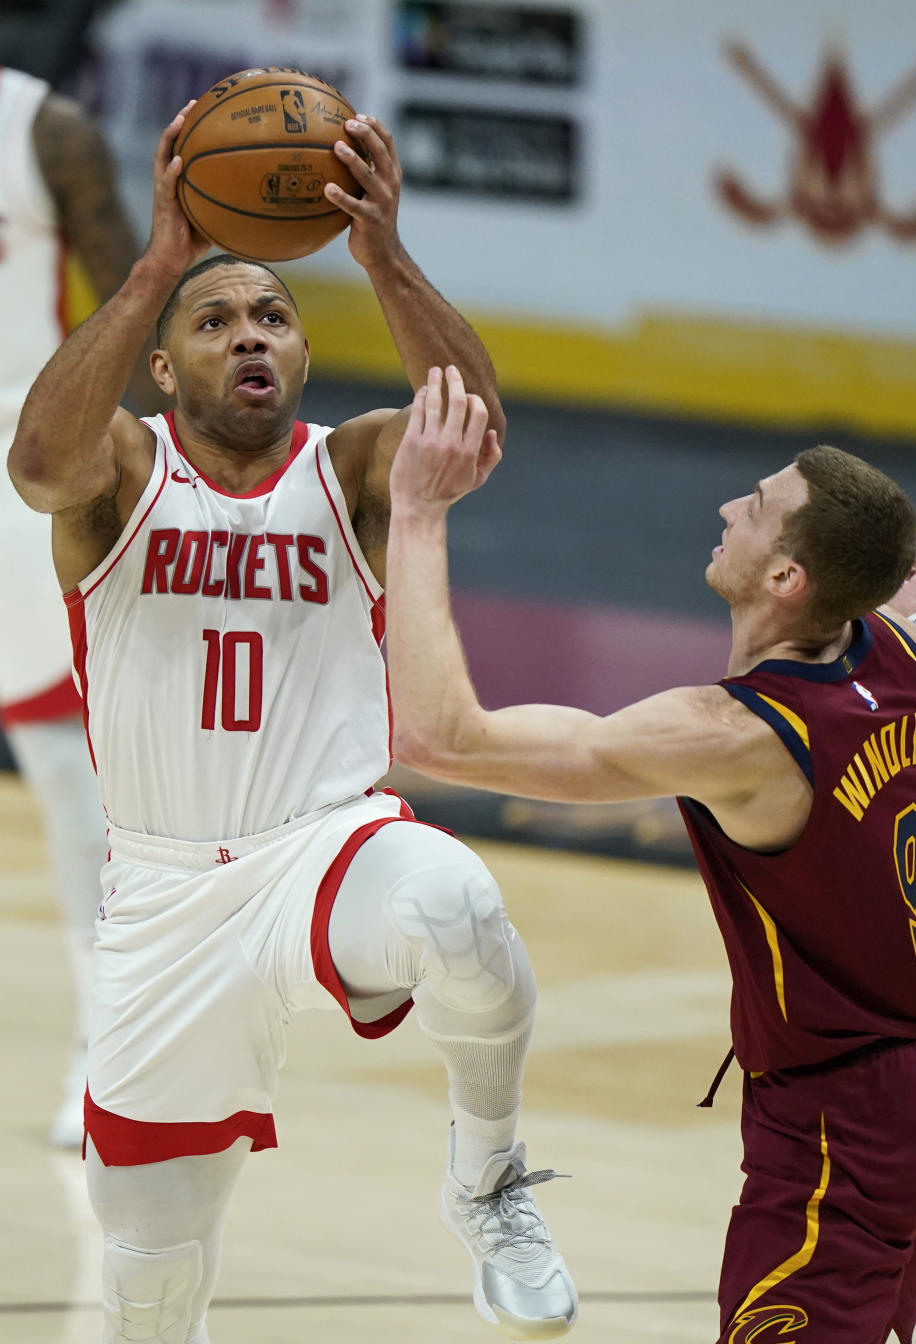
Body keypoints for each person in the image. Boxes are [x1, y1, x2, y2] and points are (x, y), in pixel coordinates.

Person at [7, 106, 578, 1344]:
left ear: (304, 353)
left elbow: (469, 427)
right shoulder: (122, 471)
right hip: (162, 899)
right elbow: (39, 463)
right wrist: (158, 264)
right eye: (214, 322)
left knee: (459, 912)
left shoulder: (358, 467)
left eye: (273, 315)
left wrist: (382, 256)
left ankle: (487, 1177)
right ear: (163, 367)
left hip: (324, 847)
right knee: (151, 1282)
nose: (249, 334)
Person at [385, 366, 916, 1344]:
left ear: (787, 579)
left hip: (840, 1115)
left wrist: (419, 510)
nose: (731, 505)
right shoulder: (911, 658)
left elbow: (440, 737)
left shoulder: (735, 737)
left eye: (762, 507)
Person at [0, 64, 162, 1146]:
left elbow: (137, 315)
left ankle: (113, 1037)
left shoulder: (43, 129)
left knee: (65, 765)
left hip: (25, 460)